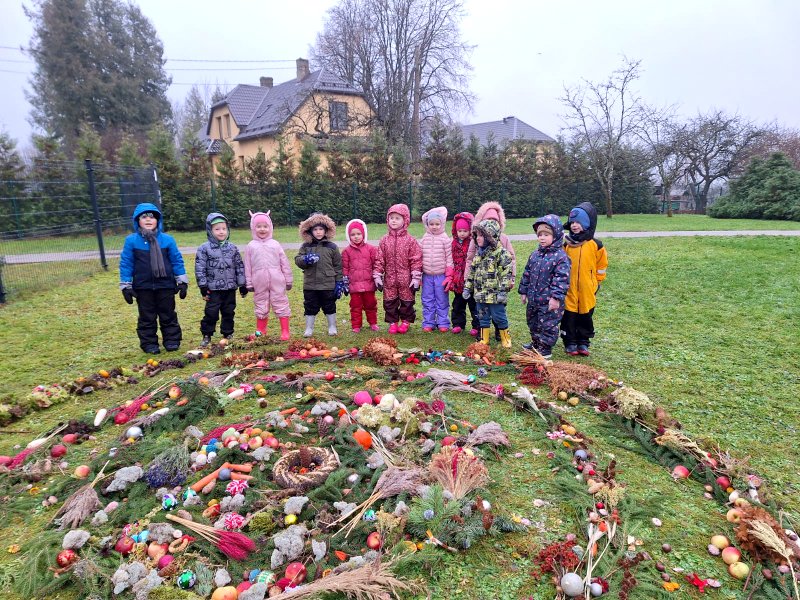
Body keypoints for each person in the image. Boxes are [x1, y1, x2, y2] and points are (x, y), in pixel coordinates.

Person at [119, 202, 188, 354]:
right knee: (147, 317)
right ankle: (149, 343)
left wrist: (182, 281)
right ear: (138, 220)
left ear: (158, 220)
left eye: (152, 217)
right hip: (143, 287)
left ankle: (171, 340)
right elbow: (126, 263)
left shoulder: (167, 240)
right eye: (144, 217)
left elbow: (176, 260)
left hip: (165, 285)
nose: (148, 220)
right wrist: (126, 285)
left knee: (168, 314)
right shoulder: (131, 241)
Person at [518, 214, 571, 359]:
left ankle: (545, 348)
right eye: (539, 234)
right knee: (533, 321)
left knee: (548, 324)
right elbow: (527, 273)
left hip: (549, 301)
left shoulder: (561, 257)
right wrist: (523, 291)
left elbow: (561, 280)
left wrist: (556, 298)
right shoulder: (535, 255)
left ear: (556, 235)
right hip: (534, 299)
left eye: (546, 234)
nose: (542, 237)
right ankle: (536, 343)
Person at [464, 201, 517, 340]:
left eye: (481, 236)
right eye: (477, 236)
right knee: (482, 316)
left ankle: (505, 337)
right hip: (480, 294)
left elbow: (507, 270)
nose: (478, 238)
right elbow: (472, 271)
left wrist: (506, 286)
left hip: (495, 294)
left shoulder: (501, 252)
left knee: (499, 316)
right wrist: (467, 287)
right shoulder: (478, 254)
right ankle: (484, 338)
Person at [561, 202, 608, 356]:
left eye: (578, 222)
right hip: (570, 288)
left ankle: (583, 342)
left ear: (588, 224)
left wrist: (597, 281)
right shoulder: (566, 245)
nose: (574, 226)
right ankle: (570, 342)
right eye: (572, 222)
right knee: (569, 317)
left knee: (585, 316)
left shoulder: (596, 245)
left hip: (588, 289)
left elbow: (601, 265)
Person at [195, 212, 247, 347]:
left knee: (229, 311)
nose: (221, 232)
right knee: (211, 312)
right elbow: (200, 268)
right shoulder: (204, 249)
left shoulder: (232, 248)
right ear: (210, 230)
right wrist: (203, 286)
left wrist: (242, 284)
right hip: (213, 288)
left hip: (230, 287)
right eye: (217, 229)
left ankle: (227, 332)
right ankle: (207, 334)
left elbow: (239, 266)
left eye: (224, 228)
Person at [373, 203, 423, 334]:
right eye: (391, 218)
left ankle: (406, 321)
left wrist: (416, 277)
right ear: (387, 220)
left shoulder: (410, 240)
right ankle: (393, 322)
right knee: (389, 302)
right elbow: (379, 259)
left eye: (397, 218)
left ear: (405, 221)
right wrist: (377, 275)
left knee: (407, 302)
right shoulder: (384, 240)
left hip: (406, 279)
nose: (394, 220)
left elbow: (416, 259)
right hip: (390, 278)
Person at [244, 210, 293, 341]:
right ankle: (261, 331)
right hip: (258, 282)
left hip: (277, 280)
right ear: (253, 228)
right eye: (258, 226)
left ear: (270, 227)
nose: (262, 229)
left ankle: (285, 331)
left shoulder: (275, 244)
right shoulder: (250, 246)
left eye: (265, 226)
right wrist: (248, 283)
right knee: (261, 305)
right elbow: (247, 266)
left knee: (281, 303)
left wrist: (288, 280)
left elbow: (284, 263)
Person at [295, 212, 344, 337]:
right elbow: (297, 259)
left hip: (328, 283)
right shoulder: (306, 246)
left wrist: (339, 282)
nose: (318, 232)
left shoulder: (332, 247)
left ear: (326, 230)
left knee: (329, 305)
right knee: (310, 305)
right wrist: (305, 259)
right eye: (315, 229)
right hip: (310, 284)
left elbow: (338, 265)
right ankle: (309, 328)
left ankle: (332, 326)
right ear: (310, 231)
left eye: (321, 229)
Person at [342, 219, 380, 333]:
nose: (356, 237)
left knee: (371, 305)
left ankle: (373, 323)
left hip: (368, 284)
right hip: (354, 285)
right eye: (353, 234)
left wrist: (377, 278)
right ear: (349, 236)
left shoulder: (371, 249)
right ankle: (356, 325)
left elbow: (376, 264)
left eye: (358, 234)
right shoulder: (346, 251)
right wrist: (345, 281)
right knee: (355, 307)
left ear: (363, 234)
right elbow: (344, 268)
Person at [419, 206, 453, 332]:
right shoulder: (424, 238)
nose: (434, 226)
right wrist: (419, 272)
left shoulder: (445, 238)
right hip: (427, 275)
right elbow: (419, 255)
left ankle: (443, 322)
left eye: (437, 224)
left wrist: (449, 274)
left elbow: (449, 256)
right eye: (431, 224)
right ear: (427, 224)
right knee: (427, 300)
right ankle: (428, 322)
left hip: (441, 275)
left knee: (442, 300)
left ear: (442, 224)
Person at [449, 211, 478, 336]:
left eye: (465, 231)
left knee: (474, 304)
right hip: (458, 279)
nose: (462, 233)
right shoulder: (453, 243)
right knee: (458, 304)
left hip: (470, 280)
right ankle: (458, 324)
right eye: (459, 231)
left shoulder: (474, 243)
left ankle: (476, 325)